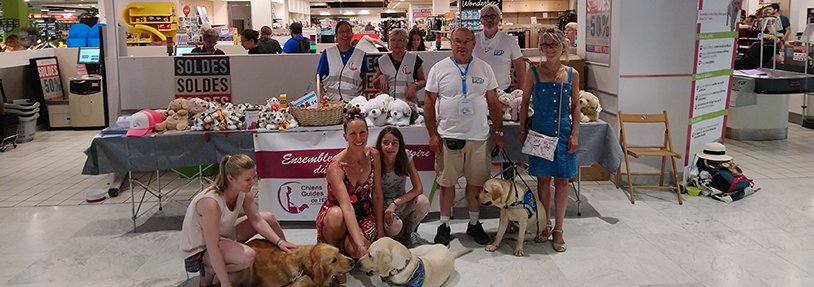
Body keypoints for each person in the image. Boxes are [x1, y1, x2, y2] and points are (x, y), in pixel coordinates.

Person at [424, 27, 504, 246]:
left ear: (473, 44)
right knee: (447, 184)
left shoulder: (484, 69)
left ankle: (474, 223)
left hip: (478, 137)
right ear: (451, 43)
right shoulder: (439, 69)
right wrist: (432, 133)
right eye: (457, 41)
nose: (461, 45)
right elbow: (429, 101)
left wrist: (498, 131)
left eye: (466, 41)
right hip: (448, 136)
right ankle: (444, 224)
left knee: (475, 184)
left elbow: (494, 102)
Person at [180, 154, 296, 287]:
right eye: (248, 179)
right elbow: (212, 247)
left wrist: (280, 242)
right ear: (230, 179)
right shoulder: (211, 203)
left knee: (268, 218)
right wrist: (225, 282)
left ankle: (286, 259)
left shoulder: (244, 192)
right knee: (247, 257)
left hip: (223, 236)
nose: (253, 183)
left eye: (254, 177)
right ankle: (209, 270)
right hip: (201, 250)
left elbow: (257, 220)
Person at [518, 27, 581, 253]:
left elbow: (576, 106)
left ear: (562, 46)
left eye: (553, 44)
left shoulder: (572, 74)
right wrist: (522, 129)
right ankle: (545, 225)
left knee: (562, 180)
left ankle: (559, 228)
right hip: (540, 130)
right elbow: (524, 102)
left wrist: (574, 133)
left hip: (563, 131)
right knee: (543, 180)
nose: (549, 49)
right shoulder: (533, 72)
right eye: (544, 45)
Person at [316, 107, 384, 284]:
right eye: (352, 133)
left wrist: (381, 233)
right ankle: (333, 261)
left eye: (362, 132)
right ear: (345, 136)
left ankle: (348, 249)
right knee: (337, 217)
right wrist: (362, 246)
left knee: (356, 251)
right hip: (338, 212)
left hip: (364, 211)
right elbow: (345, 207)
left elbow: (377, 195)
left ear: (369, 133)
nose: (358, 138)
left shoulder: (374, 155)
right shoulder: (336, 167)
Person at [376, 127, 429, 247]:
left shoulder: (406, 156)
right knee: (394, 227)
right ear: (380, 144)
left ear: (400, 145)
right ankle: (394, 237)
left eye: (394, 143)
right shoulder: (375, 159)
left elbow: (418, 188)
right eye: (386, 143)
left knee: (423, 201)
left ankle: (410, 233)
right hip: (382, 209)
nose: (390, 147)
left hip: (400, 203)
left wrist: (395, 203)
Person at [473, 4, 526, 93]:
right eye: (485, 17)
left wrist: (522, 95)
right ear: (481, 20)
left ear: (498, 18)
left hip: (503, 92)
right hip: (478, 92)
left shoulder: (510, 41)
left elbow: (520, 70)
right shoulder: (473, 40)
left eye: (493, 16)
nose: (489, 20)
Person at [316, 21, 370, 102]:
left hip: (353, 102)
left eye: (348, 31)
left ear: (352, 34)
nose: (345, 35)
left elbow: (364, 79)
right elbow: (317, 77)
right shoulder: (328, 53)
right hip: (332, 102)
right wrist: (324, 96)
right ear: (336, 35)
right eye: (341, 32)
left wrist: (359, 96)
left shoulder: (360, 55)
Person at [372, 29, 427, 102]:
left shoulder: (414, 59)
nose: (395, 43)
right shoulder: (383, 60)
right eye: (392, 40)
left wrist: (415, 85)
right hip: (388, 105)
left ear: (406, 43)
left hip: (407, 104)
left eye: (399, 40)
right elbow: (375, 85)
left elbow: (423, 81)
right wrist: (380, 78)